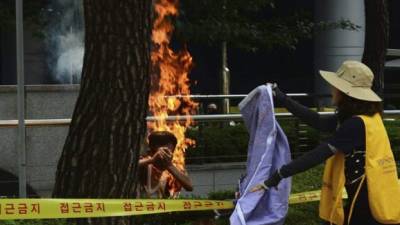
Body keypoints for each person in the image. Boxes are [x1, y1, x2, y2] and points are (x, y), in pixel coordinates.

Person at [251, 61, 400, 225]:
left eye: (336, 87)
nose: (332, 90)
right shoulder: (366, 118)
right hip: (375, 196)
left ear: (345, 93)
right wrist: (282, 98)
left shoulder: (355, 125)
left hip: (367, 203)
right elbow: (318, 121)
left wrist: (277, 176)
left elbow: (317, 155)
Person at [137, 131, 193, 198]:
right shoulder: (145, 163)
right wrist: (151, 160)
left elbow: (189, 187)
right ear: (151, 152)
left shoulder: (172, 169)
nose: (165, 156)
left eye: (169, 152)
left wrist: (169, 165)